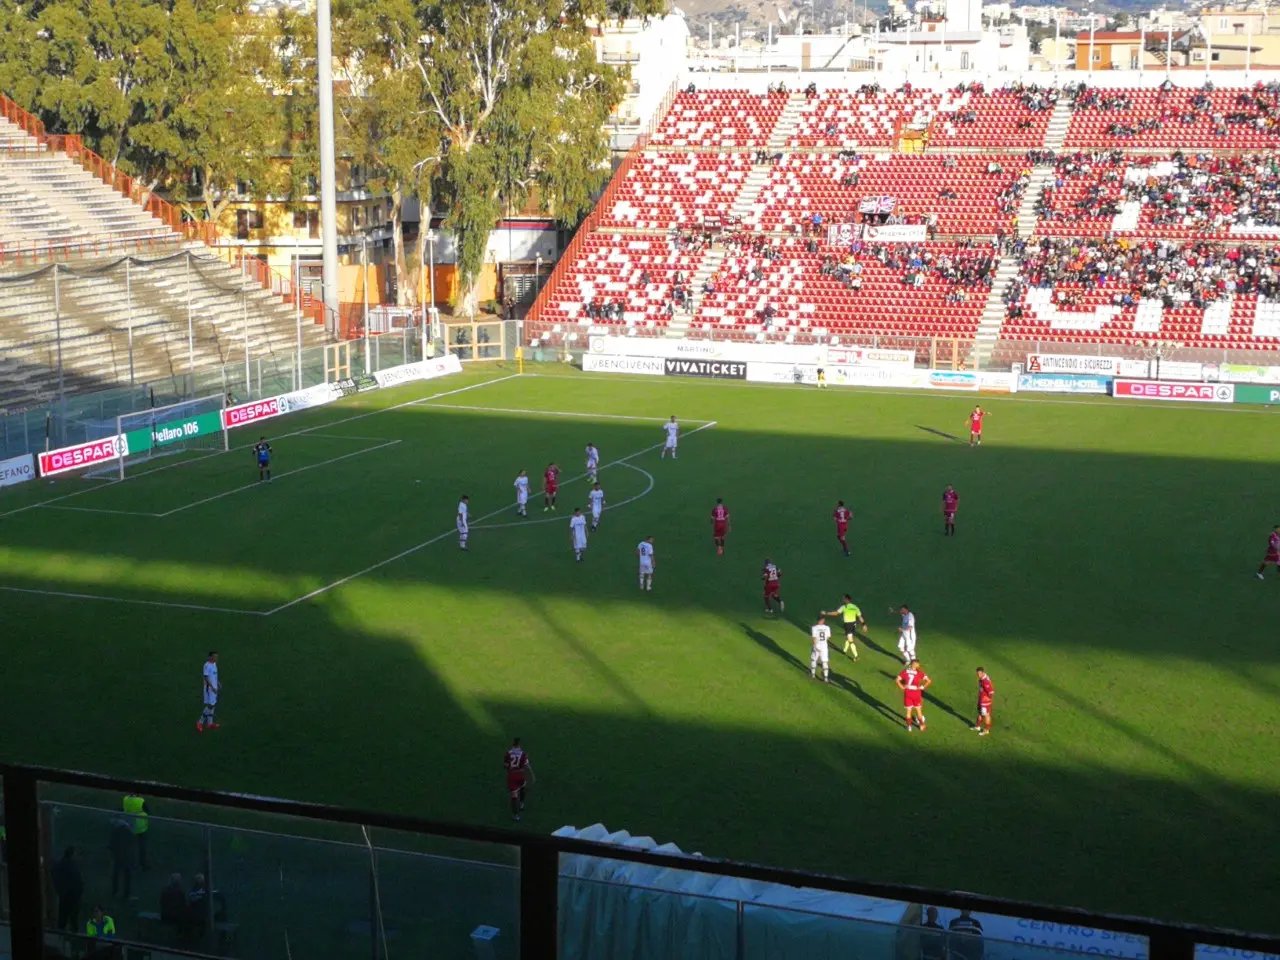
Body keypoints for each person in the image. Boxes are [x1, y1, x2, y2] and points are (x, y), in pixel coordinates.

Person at [51, 846, 84, 932]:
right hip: (73, 895)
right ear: (72, 854)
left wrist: (59, 890)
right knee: (73, 919)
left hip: (63, 895)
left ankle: (61, 935)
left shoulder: (59, 865)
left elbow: (55, 877)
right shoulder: (74, 866)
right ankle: (73, 936)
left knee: (62, 917)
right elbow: (78, 881)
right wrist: (79, 893)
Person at [824, 594, 866, 661]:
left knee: (850, 640)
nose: (843, 600)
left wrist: (827, 613)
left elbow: (836, 613)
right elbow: (860, 616)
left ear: (847, 599)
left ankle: (856, 656)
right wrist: (864, 625)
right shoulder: (855, 607)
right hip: (854, 625)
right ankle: (844, 650)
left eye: (844, 599)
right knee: (849, 636)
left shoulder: (844, 607)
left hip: (848, 625)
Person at [504, 738, 535, 821]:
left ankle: (516, 815)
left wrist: (510, 771)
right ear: (519, 745)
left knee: (514, 796)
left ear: (512, 744)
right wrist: (532, 775)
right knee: (522, 787)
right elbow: (527, 765)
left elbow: (506, 766)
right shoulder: (523, 753)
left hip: (512, 775)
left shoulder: (508, 753)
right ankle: (521, 803)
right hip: (520, 774)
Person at [896, 659, 931, 732]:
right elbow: (929, 681)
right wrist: (922, 687)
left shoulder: (905, 671)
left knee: (908, 711)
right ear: (915, 665)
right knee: (918, 711)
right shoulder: (919, 673)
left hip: (908, 693)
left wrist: (902, 687)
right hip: (916, 693)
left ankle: (909, 727)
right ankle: (921, 725)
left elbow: (897, 680)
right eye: (918, 664)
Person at [108, 817, 136, 900]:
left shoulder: (115, 830)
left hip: (117, 855)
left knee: (116, 873)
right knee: (127, 875)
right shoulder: (127, 831)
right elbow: (131, 843)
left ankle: (115, 892)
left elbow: (112, 843)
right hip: (126, 856)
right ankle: (126, 894)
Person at [122, 794, 148, 871]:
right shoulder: (140, 801)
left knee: (129, 846)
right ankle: (143, 864)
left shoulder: (125, 799)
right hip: (140, 828)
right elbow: (147, 810)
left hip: (128, 826)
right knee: (141, 847)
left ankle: (129, 863)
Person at [198, 651, 219, 732]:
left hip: (214, 688)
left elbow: (214, 675)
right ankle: (200, 722)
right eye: (215, 657)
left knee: (213, 704)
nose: (216, 658)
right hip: (209, 689)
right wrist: (212, 687)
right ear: (210, 657)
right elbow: (206, 678)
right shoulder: (207, 665)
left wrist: (217, 682)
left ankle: (210, 723)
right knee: (210, 705)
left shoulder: (214, 664)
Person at [973, 667, 995, 736]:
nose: (978, 675)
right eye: (977, 674)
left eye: (979, 673)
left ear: (983, 673)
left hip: (985, 702)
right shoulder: (982, 678)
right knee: (980, 713)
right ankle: (978, 727)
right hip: (981, 700)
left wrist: (987, 700)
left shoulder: (985, 681)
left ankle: (986, 730)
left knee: (986, 715)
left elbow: (991, 692)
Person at [810, 615, 832, 683]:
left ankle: (813, 674)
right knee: (824, 661)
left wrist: (815, 646)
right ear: (823, 620)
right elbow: (828, 637)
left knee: (814, 659)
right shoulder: (827, 628)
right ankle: (825, 678)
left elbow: (814, 638)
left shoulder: (814, 628)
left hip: (817, 645)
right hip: (824, 646)